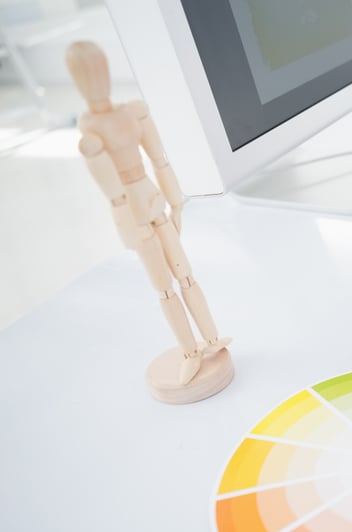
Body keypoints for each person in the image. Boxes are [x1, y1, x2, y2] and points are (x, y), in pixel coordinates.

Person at [65, 40, 231, 389]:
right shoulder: (91, 132)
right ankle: (190, 352)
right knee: (164, 287)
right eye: (88, 74)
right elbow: (113, 192)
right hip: (134, 209)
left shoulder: (132, 112)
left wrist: (177, 202)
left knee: (185, 275)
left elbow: (160, 160)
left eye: (98, 71)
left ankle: (211, 337)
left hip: (153, 199)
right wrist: (128, 227)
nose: (96, 80)